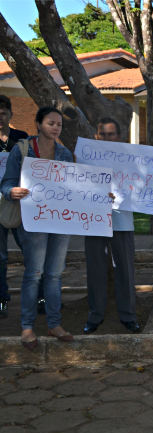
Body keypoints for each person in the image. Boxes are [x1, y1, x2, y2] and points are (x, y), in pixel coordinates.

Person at [1, 108, 75, 349]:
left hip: (60, 221)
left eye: (59, 125)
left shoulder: (64, 153)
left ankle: (54, 324)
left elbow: (72, 187)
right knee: (33, 274)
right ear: (38, 124)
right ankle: (27, 328)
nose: (55, 128)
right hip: (32, 222)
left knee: (54, 274)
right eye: (51, 123)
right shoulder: (21, 149)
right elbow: (7, 183)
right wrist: (11, 192)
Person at [83, 118, 140, 334]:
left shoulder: (131, 158)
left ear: (119, 136)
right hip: (93, 221)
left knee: (125, 269)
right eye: (102, 134)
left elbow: (145, 183)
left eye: (111, 134)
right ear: (96, 136)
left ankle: (128, 316)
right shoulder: (85, 157)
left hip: (122, 221)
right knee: (95, 269)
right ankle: (95, 315)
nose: (106, 138)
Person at [0, 95, 28, 318]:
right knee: (0, 256)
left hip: (20, 204)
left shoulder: (21, 139)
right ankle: (2, 298)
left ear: (10, 114)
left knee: (30, 251)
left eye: (3, 113)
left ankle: (38, 295)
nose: (0, 117)